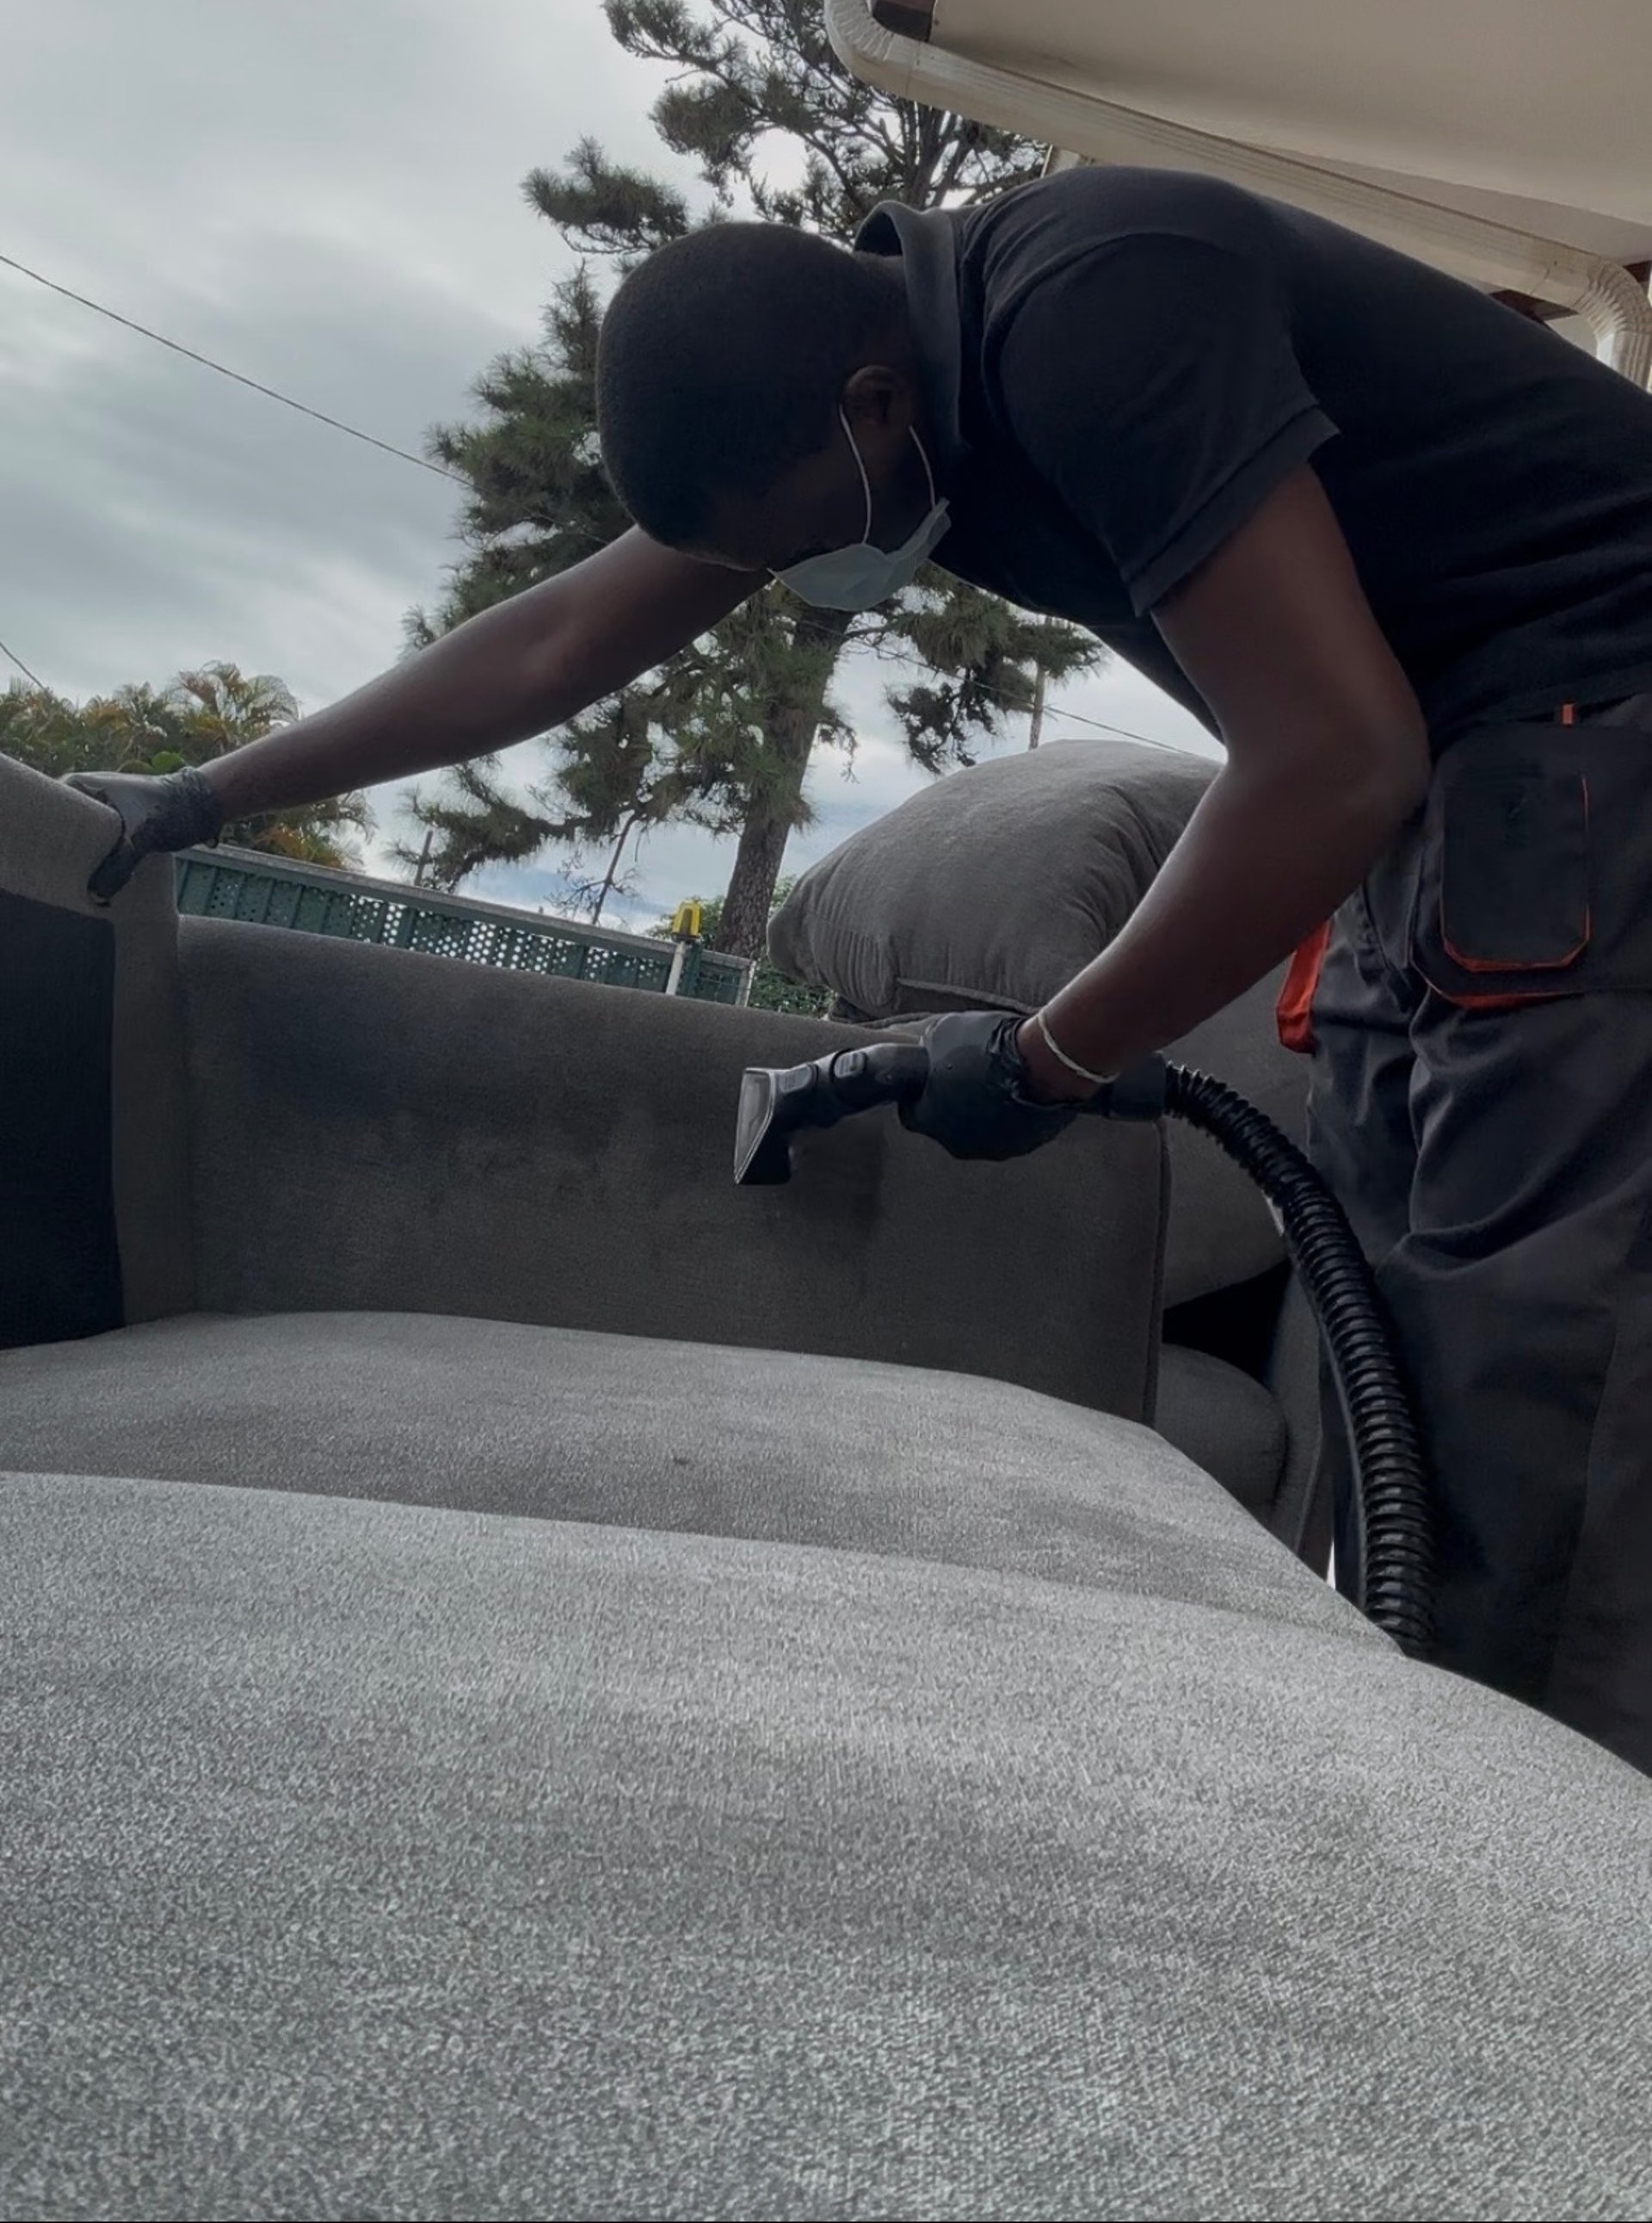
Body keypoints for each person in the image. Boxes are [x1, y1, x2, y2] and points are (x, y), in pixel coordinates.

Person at [69, 164, 1652, 1777]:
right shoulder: (871, 411)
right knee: (1415, 1374)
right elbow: (557, 640)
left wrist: (1050, 1056)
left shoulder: (1097, 314)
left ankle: (1565, 1904)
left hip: (1597, 754)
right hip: (1469, 792)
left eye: (813, 541)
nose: (822, 576)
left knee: (1552, 1412)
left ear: (873, 405)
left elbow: (1328, 755)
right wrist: (205, 795)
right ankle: (1454, 1807)